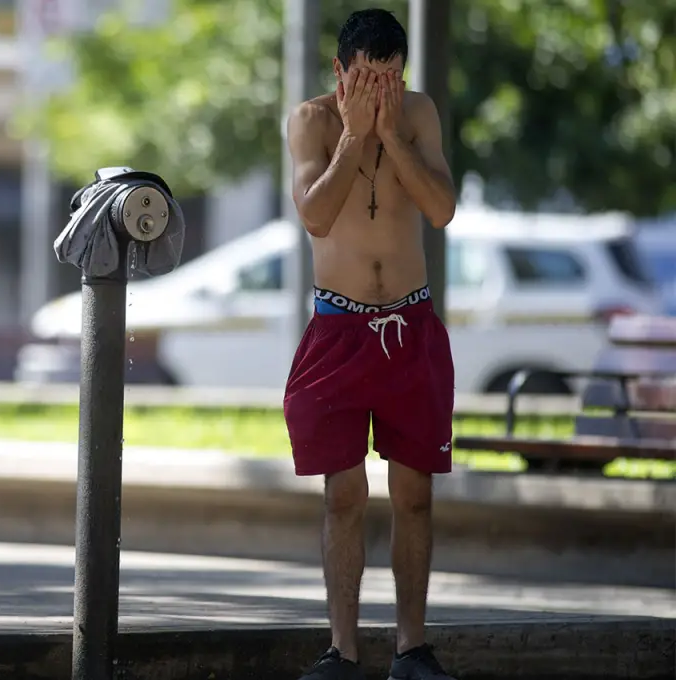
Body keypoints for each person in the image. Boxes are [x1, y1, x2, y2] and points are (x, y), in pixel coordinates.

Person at [283, 8, 457, 680]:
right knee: (342, 493)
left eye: (389, 78)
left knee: (414, 492)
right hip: (340, 328)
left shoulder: (418, 114)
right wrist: (355, 139)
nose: (378, 90)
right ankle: (343, 649)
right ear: (340, 70)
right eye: (365, 78)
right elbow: (316, 216)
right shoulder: (312, 122)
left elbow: (441, 210)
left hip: (410, 327)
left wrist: (393, 136)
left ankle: (411, 647)